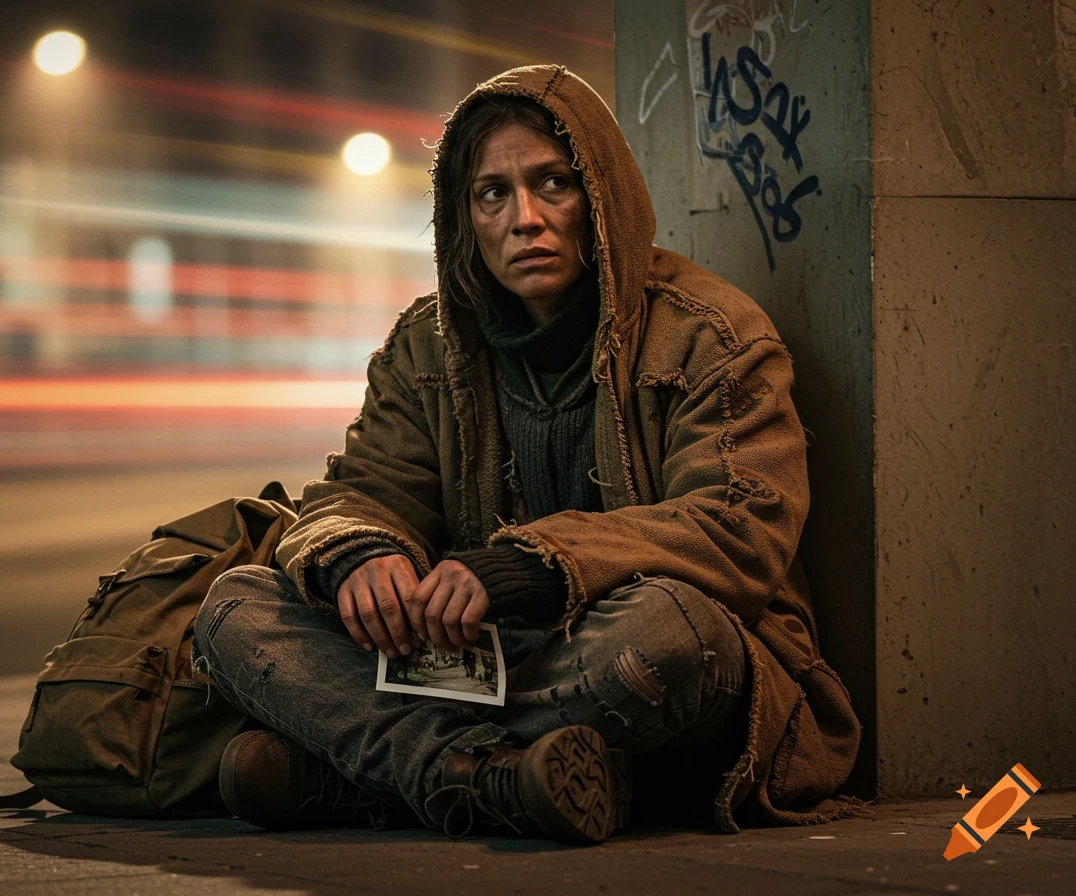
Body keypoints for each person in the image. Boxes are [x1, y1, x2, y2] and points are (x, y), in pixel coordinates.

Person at [194, 65, 868, 844]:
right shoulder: (427, 346)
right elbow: (360, 491)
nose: (525, 219)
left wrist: (532, 567)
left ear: (600, 197)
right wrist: (358, 555)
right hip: (471, 662)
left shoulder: (711, 336)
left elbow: (741, 530)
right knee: (237, 606)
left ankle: (372, 775)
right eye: (493, 194)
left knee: (675, 630)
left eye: (553, 184)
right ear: (464, 218)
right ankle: (486, 779)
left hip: (616, 647)